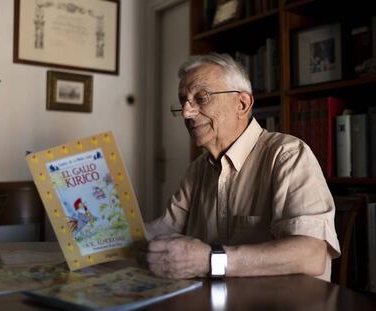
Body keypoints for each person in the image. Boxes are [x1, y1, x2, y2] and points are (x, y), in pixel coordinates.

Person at [144, 53, 340, 282]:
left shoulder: (287, 155)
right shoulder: (198, 169)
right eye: (183, 101)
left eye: (201, 97)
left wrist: (210, 260)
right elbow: (161, 232)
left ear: (242, 103)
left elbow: (311, 254)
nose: (187, 112)